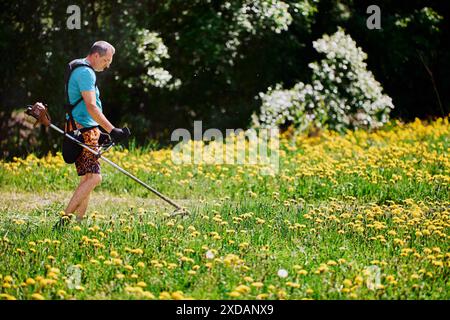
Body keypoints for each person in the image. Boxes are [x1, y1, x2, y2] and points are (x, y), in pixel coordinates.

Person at [54, 41, 130, 229]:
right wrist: (113, 130)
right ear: (96, 55)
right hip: (84, 130)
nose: (107, 65)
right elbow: (91, 106)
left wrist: (100, 131)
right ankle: (63, 222)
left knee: (87, 179)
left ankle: (78, 224)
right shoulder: (86, 72)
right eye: (106, 60)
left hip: (84, 129)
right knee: (95, 178)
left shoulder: (80, 68)